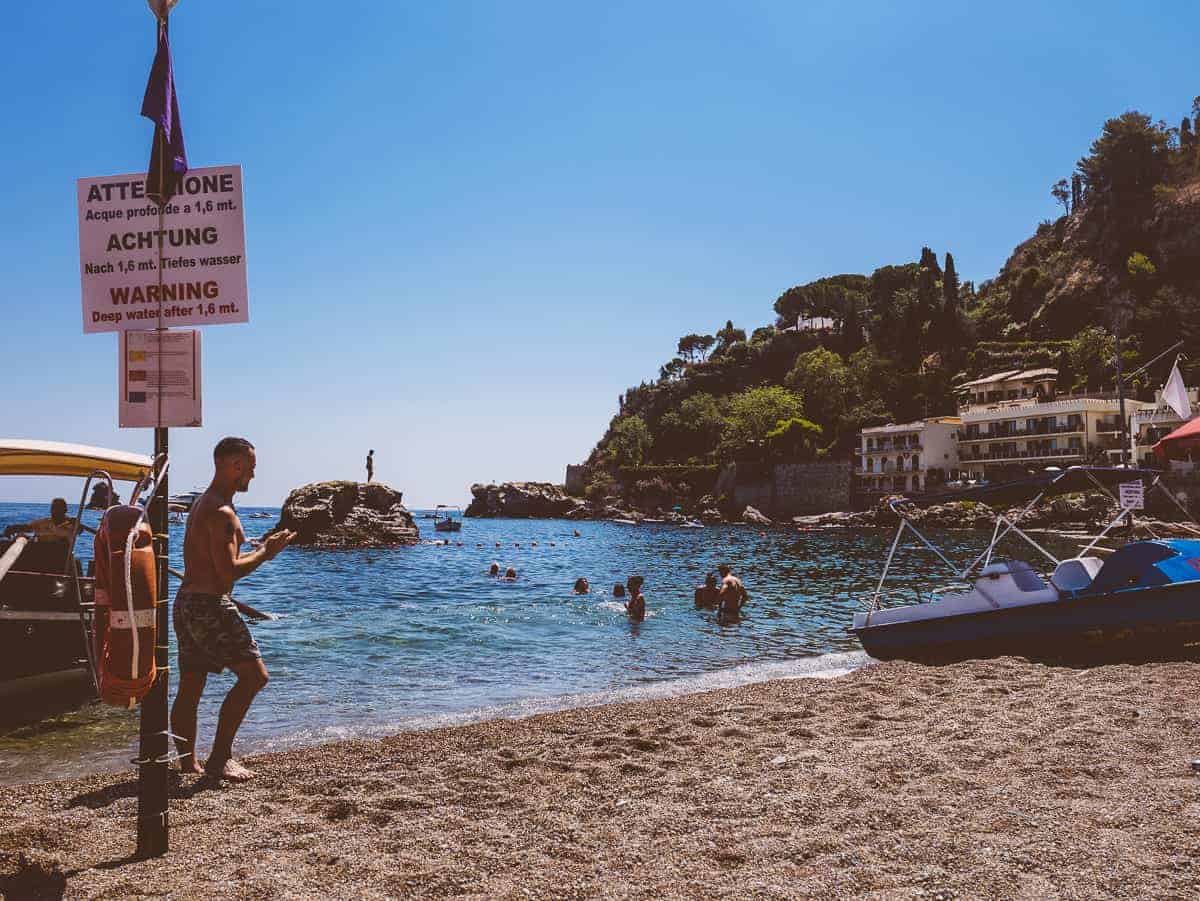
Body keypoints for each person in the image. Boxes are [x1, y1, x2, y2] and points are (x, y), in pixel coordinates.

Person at [169, 437, 296, 782]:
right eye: (250, 469)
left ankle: (186, 763)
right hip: (210, 604)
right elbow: (229, 571)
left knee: (191, 684)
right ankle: (219, 759)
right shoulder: (222, 512)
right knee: (255, 677)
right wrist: (267, 553)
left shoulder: (202, 504)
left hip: (186, 603)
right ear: (234, 465)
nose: (253, 476)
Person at [3, 498, 77, 542]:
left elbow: (79, 530)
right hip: (41, 554)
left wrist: (76, 523)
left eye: (58, 508)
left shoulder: (72, 524)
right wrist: (12, 528)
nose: (55, 511)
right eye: (53, 508)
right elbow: (27, 527)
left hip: (62, 558)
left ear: (65, 510)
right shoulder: (44, 522)